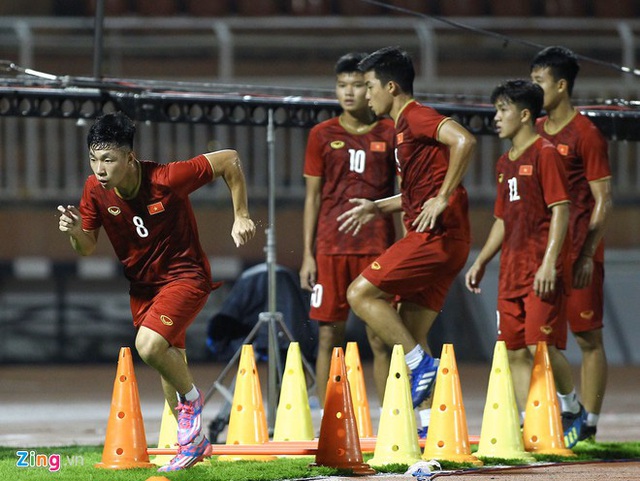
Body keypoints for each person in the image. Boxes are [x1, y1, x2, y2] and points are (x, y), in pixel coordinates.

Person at [57, 112, 256, 471]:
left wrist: (240, 214)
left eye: (108, 160)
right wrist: (74, 230)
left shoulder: (166, 178)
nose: (99, 169)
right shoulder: (93, 190)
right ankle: (192, 445)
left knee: (148, 346)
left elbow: (228, 159)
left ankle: (194, 403)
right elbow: (85, 247)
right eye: (94, 159)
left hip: (185, 276)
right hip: (144, 287)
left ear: (129, 158)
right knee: (169, 365)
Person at [337, 47, 476, 425]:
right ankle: (430, 431)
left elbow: (464, 140)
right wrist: (376, 206)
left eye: (369, 86)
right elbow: (419, 191)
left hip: (436, 237)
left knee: (360, 293)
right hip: (445, 238)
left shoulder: (416, 116)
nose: (366, 95)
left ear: (391, 87)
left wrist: (443, 197)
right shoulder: (403, 127)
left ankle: (421, 365)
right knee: (405, 333)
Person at [464, 79, 584, 448]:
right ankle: (523, 425)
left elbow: (561, 210)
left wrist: (550, 263)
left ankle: (570, 408)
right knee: (514, 349)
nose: (496, 117)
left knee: (540, 347)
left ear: (525, 114)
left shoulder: (545, 153)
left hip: (540, 270)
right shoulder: (504, 162)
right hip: (511, 271)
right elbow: (503, 218)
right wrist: (482, 259)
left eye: (502, 110)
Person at [300, 52, 397, 407]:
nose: (349, 92)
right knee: (328, 334)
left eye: (357, 85)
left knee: (380, 336)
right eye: (342, 85)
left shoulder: (390, 132)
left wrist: (402, 247)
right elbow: (312, 198)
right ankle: (329, 413)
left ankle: (391, 416)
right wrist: (308, 254)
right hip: (331, 247)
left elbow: (402, 195)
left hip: (378, 247)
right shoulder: (321, 135)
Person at [530, 46, 612, 444]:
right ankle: (568, 409)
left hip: (579, 252)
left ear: (561, 86)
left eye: (539, 82)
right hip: (542, 252)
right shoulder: (534, 131)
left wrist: (585, 254)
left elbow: (604, 200)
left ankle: (591, 424)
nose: (533, 88)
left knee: (587, 337)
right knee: (537, 339)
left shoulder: (586, 134)